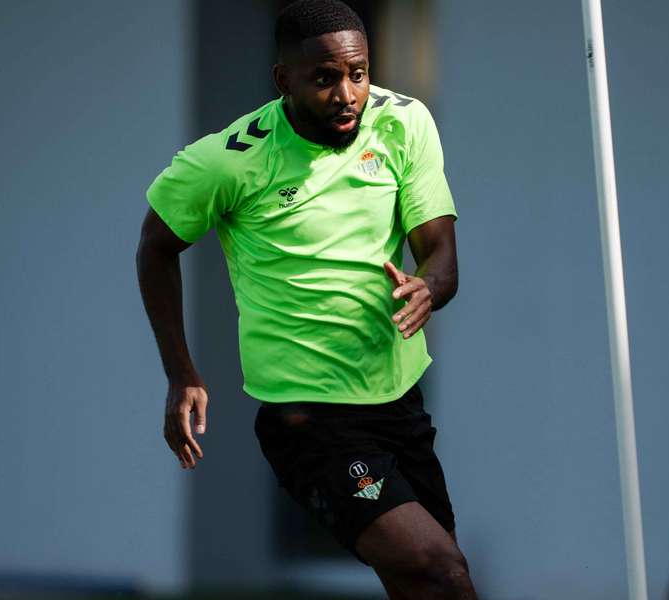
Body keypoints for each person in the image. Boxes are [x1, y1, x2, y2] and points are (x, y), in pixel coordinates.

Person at [135, 1, 478, 598]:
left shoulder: (404, 122)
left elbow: (439, 249)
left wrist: (431, 286)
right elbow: (155, 247)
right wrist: (180, 371)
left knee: (426, 581)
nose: (347, 94)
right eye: (324, 78)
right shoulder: (228, 161)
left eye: (359, 73)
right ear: (283, 79)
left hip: (399, 402)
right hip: (310, 419)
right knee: (440, 570)